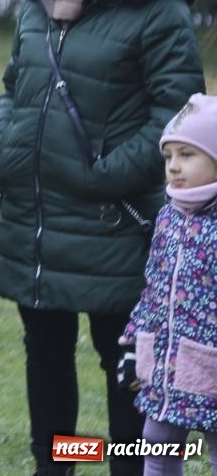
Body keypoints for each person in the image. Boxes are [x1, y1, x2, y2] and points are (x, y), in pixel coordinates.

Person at [0, 0, 203, 476]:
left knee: (123, 361)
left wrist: (107, 176)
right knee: (45, 355)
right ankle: (56, 466)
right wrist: (0, 146)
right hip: (35, 216)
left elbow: (177, 114)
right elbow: (13, 87)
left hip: (116, 221)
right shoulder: (35, 0)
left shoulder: (157, 8)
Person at [119, 94, 217, 476]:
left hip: (210, 364)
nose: (174, 166)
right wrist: (131, 343)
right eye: (169, 156)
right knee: (158, 451)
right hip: (166, 365)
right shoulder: (167, 217)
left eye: (187, 155)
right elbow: (153, 289)